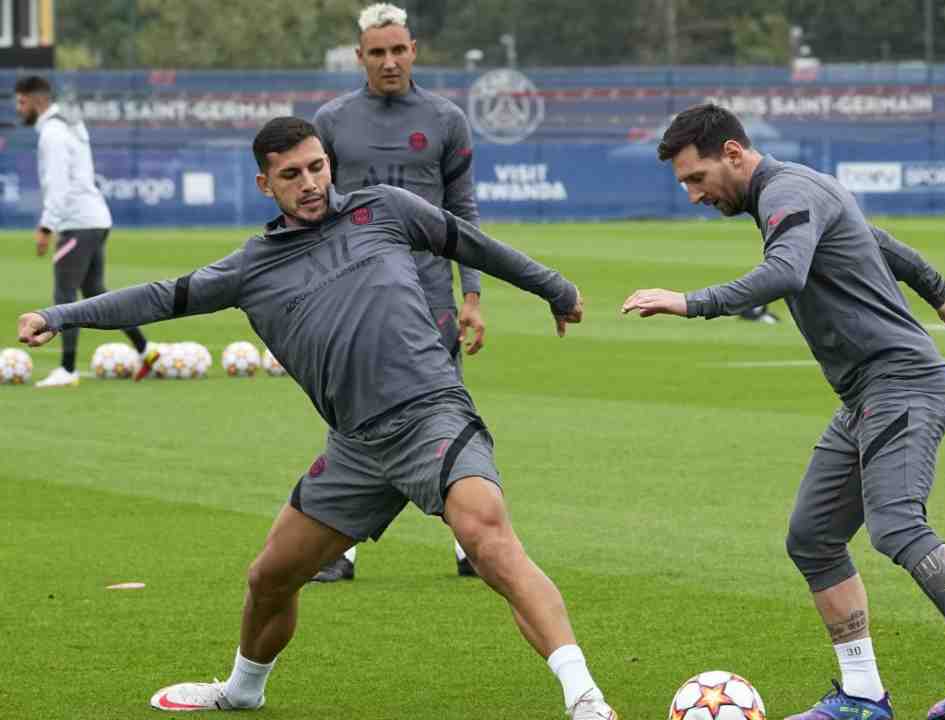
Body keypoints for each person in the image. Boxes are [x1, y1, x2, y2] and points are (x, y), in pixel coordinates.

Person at [16, 117, 617, 720]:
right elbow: (159, 297)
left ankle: (584, 697)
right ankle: (242, 691)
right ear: (264, 184)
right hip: (355, 448)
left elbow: (468, 242)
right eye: (290, 174)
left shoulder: (385, 209)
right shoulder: (252, 266)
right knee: (269, 578)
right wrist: (61, 315)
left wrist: (554, 287)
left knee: (487, 537)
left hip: (432, 414)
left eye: (316, 167)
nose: (309, 183)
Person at [621, 103, 945, 720]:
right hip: (866, 394)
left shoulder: (786, 191)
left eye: (695, 178)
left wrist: (689, 301)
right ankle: (863, 695)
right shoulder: (796, 189)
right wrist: (938, 289)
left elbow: (784, 273)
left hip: (902, 383)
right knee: (812, 538)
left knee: (896, 524)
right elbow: (877, 239)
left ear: (732, 153)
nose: (693, 194)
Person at [311, 1, 484, 582]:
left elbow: (462, 212)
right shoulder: (331, 122)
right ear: (359, 57)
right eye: (377, 52)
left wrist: (473, 294)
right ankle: (338, 548)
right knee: (351, 410)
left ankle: (472, 543)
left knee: (447, 405)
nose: (389, 61)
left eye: (398, 49)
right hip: (353, 291)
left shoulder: (446, 119)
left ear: (414, 51)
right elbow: (316, 211)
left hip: (429, 289)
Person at [13, 75, 155, 386]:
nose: (18, 109)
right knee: (94, 294)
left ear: (37, 101)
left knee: (64, 295)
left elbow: (59, 185)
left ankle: (67, 370)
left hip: (77, 222)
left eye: (21, 102)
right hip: (94, 219)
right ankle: (146, 350)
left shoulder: (52, 133)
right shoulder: (70, 125)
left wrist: (46, 226)